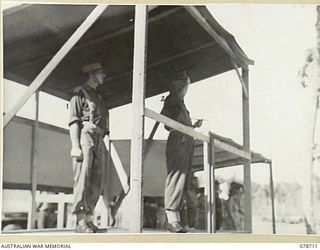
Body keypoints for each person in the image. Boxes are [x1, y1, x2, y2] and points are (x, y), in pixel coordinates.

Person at [69, 62, 109, 233]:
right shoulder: (79, 95)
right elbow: (74, 121)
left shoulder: (98, 96)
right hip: (86, 137)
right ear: (92, 74)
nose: (104, 76)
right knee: (83, 179)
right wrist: (75, 146)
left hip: (99, 138)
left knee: (96, 180)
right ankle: (80, 221)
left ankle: (89, 219)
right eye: (101, 73)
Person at [161, 71, 202, 233]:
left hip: (186, 141)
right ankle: (172, 220)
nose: (187, 89)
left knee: (183, 179)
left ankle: (178, 220)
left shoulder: (180, 102)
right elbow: (167, 123)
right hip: (179, 142)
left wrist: (192, 127)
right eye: (186, 85)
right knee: (176, 178)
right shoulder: (172, 100)